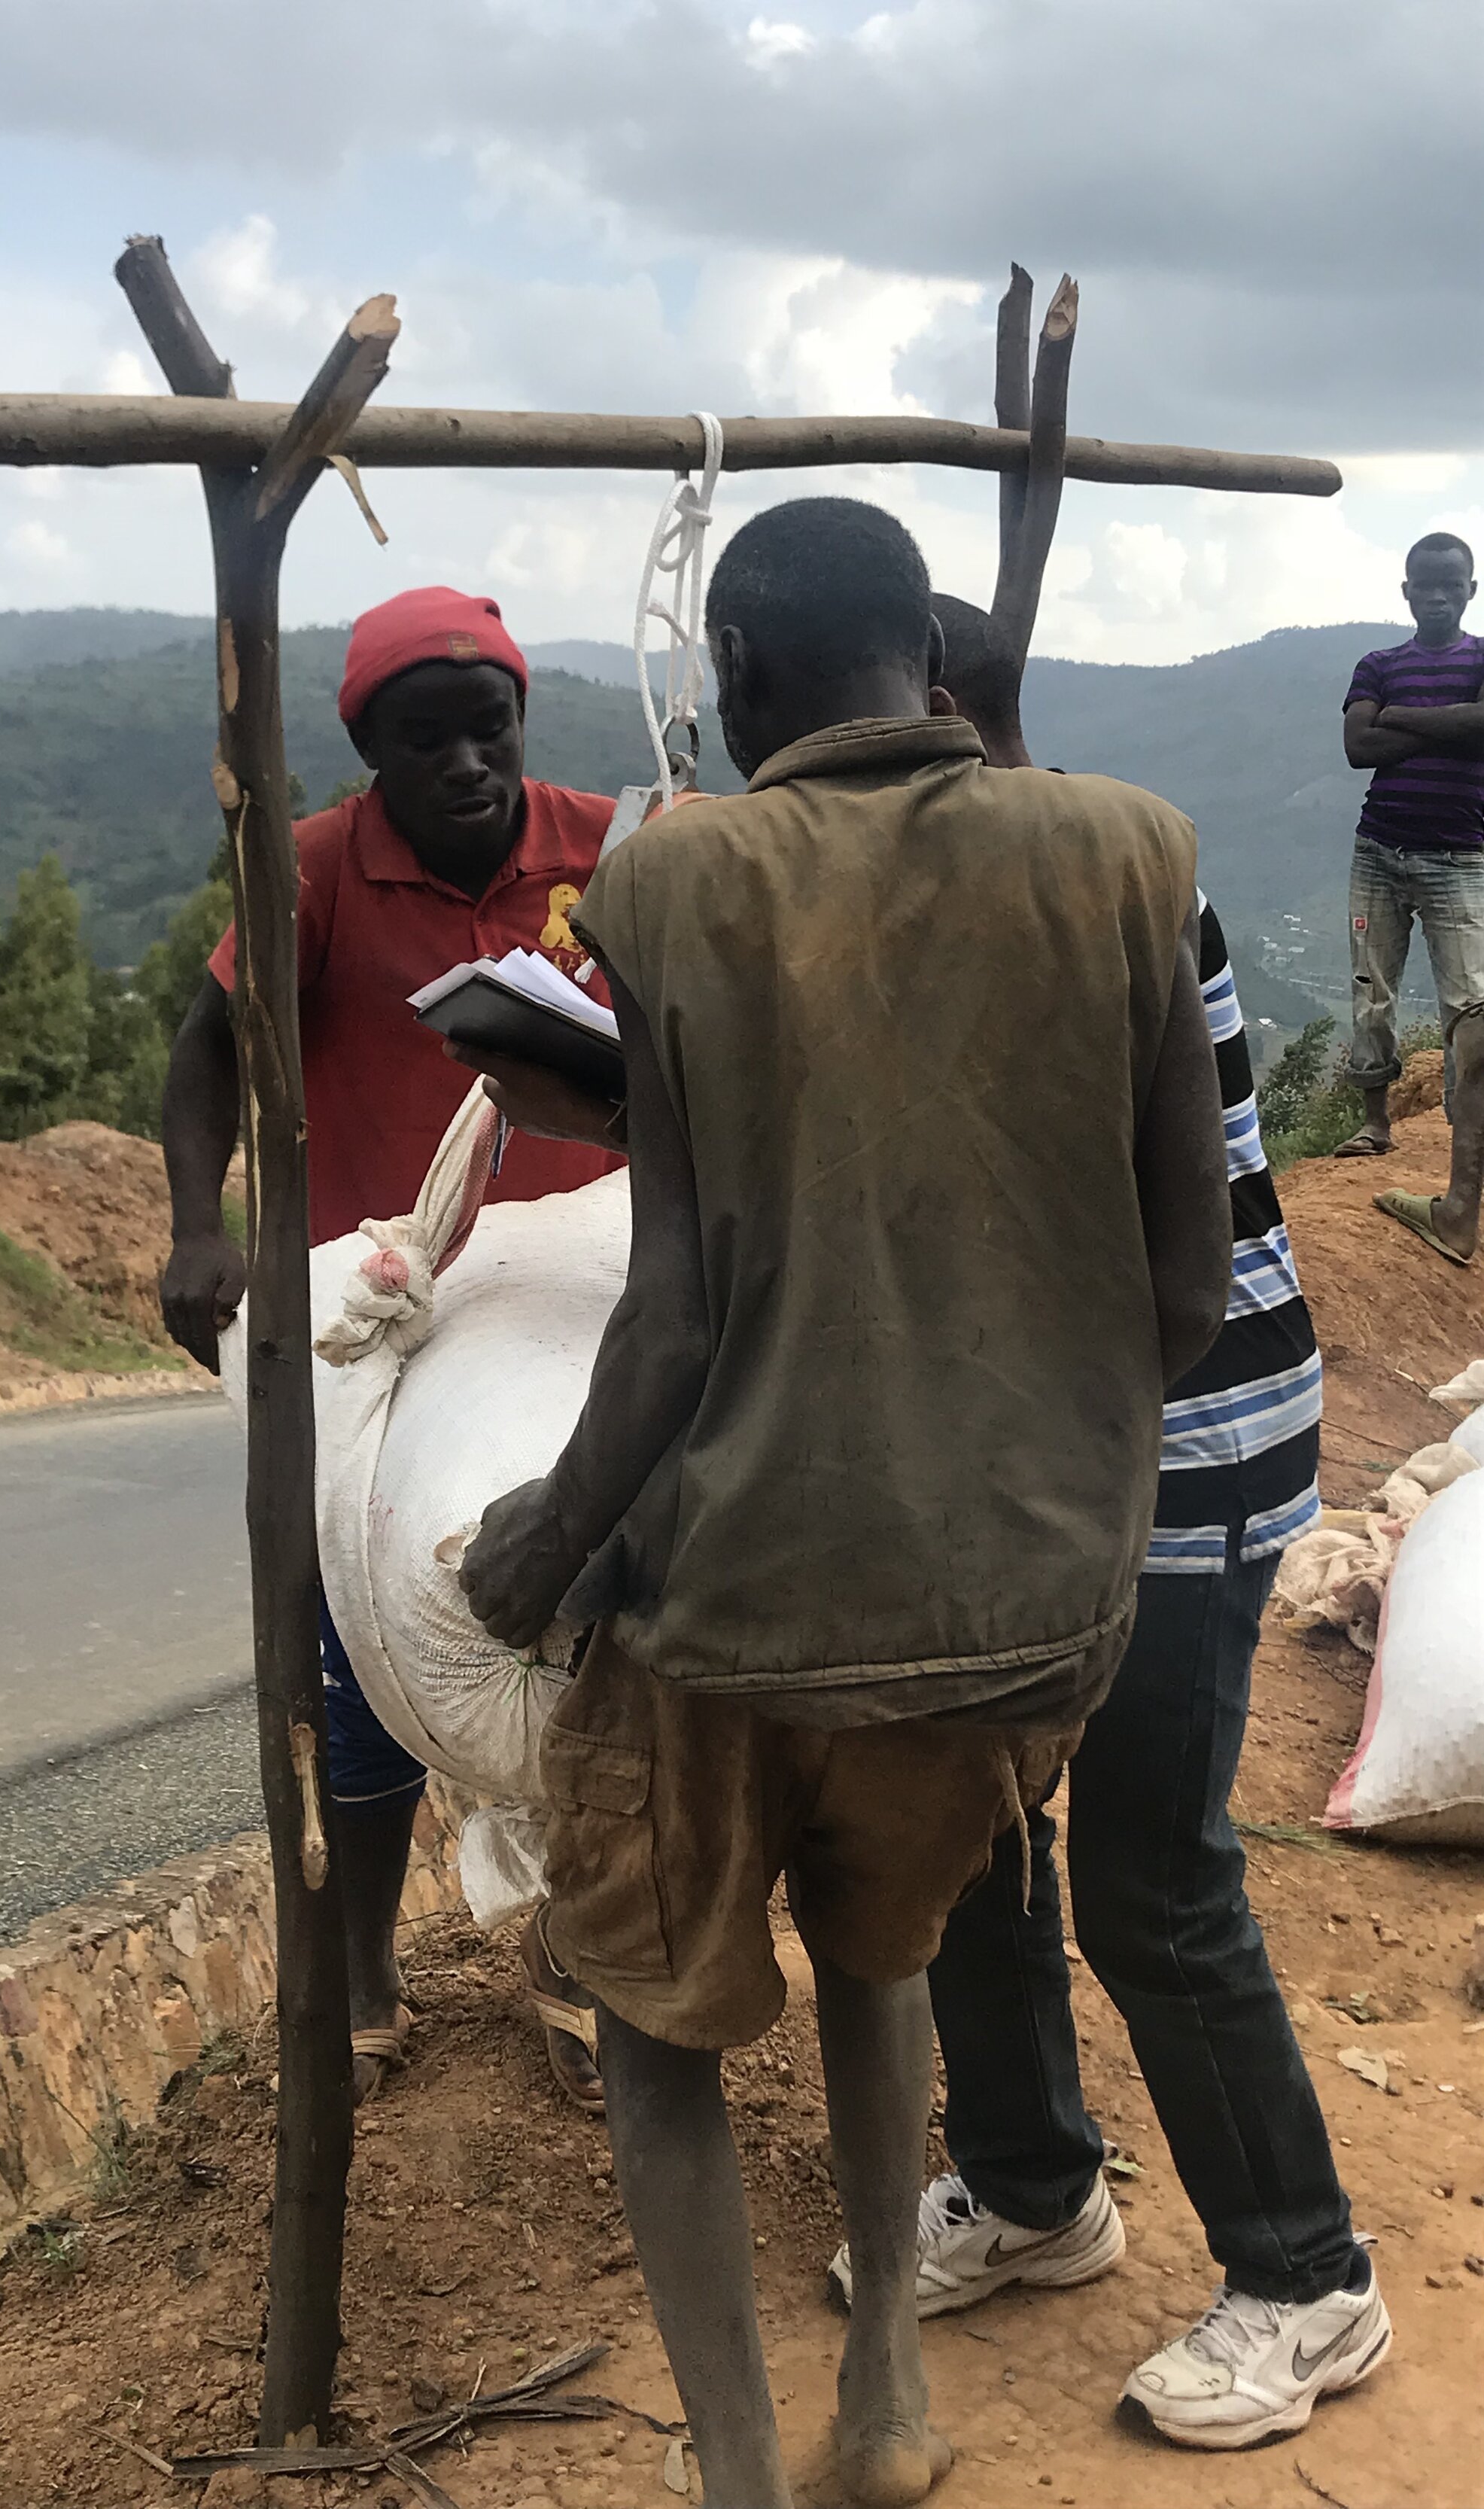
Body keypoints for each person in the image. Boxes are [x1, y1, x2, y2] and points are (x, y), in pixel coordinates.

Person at [458, 498, 1233, 2509]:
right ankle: (884, 2384)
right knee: (881, 1963)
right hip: (1022, 1610)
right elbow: (1180, 1285)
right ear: (937, 669)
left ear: (735, 673)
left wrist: (532, 1552)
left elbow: (677, 1311)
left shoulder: (681, 872)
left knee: (652, 2021)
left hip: (741, 1613)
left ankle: (733, 2470)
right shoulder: (1130, 852)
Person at [819, 594, 1391, 2455]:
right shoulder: (957, 896)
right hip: (1018, 1461)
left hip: (1179, 1442)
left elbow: (1141, 1260)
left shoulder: (1106, 894)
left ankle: (1311, 2281)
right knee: (973, 1825)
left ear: (955, 727)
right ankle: (1036, 2187)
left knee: (1152, 1875)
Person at [158, 584, 625, 2112]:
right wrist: (198, 1222)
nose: (467, 766)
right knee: (350, 1657)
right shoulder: (312, 875)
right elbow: (208, 1051)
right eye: (424, 742)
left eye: (487, 729)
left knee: (577, 1628)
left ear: (518, 724)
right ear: (366, 749)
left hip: (569, 1308)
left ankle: (570, 1941)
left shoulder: (607, 850)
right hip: (386, 1314)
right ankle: (360, 1969)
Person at [1333, 534, 1484, 1269]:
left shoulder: (1479, 659)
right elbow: (1356, 748)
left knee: (1469, 1014)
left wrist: (1398, 720)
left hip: (1461, 860)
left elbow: (1477, 728)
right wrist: (1449, 725)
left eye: (1450, 584)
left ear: (1470, 589)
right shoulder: (1377, 663)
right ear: (1404, 591)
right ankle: (1374, 1124)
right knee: (1370, 990)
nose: (1436, 594)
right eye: (1424, 584)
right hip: (1377, 853)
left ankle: (1463, 1173)